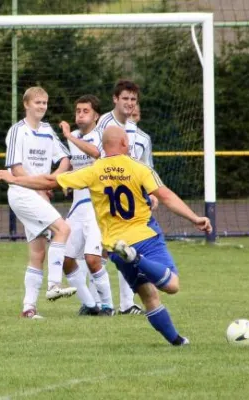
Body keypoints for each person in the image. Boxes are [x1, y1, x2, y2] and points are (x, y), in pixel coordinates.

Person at [0, 125, 212, 346]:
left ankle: (177, 341)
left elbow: (51, 181)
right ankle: (136, 259)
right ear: (125, 144)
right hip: (145, 236)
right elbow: (165, 196)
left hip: (116, 245)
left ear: (104, 146)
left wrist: (15, 180)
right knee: (172, 285)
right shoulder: (139, 168)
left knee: (149, 297)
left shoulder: (94, 170)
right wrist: (194, 218)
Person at [5, 86, 76, 320]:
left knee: (37, 253)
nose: (42, 107)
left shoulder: (47, 130)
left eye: (45, 103)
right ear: (26, 104)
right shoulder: (17, 131)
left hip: (39, 192)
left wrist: (53, 180)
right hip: (22, 192)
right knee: (63, 229)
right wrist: (41, 186)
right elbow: (16, 170)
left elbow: (65, 158)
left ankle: (28, 308)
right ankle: (54, 285)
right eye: (37, 103)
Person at [96, 79, 157, 315]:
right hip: (105, 196)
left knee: (126, 247)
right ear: (115, 99)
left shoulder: (140, 136)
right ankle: (96, 301)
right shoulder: (104, 124)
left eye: (133, 99)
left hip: (131, 200)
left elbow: (146, 167)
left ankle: (126, 303)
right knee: (96, 250)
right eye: (125, 98)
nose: (130, 103)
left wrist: (151, 192)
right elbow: (97, 158)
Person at [59, 95, 115, 316]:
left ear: (96, 116)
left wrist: (68, 136)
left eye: (85, 111)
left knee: (93, 259)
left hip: (97, 208)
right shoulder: (74, 138)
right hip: (77, 207)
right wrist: (66, 180)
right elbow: (76, 165)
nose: (80, 114)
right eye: (78, 110)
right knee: (66, 259)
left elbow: (96, 153)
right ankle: (90, 304)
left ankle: (108, 306)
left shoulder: (100, 135)